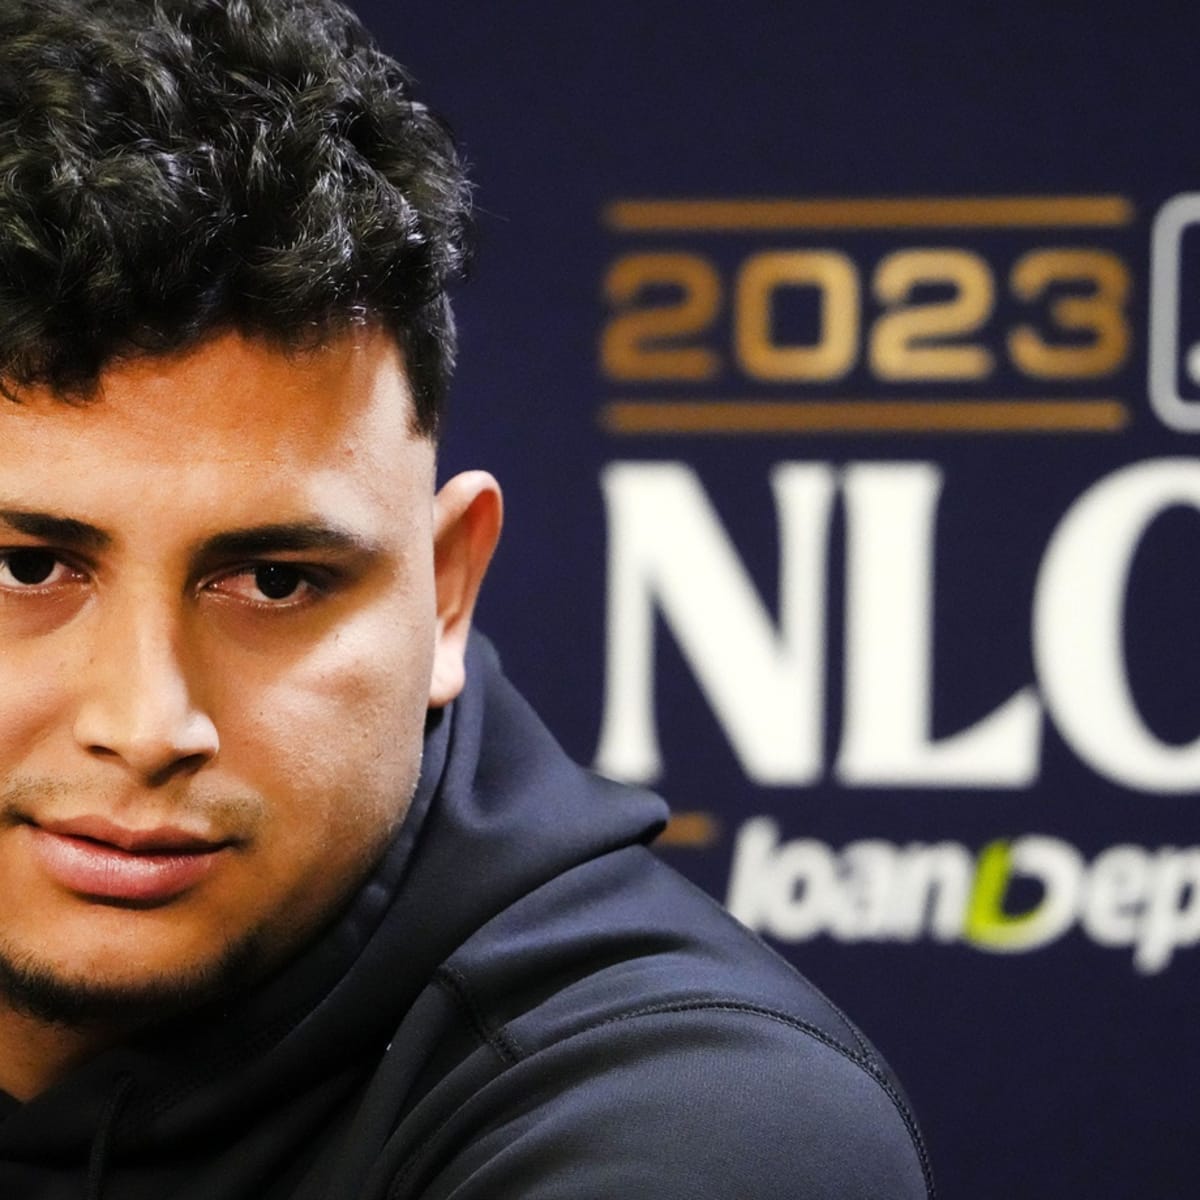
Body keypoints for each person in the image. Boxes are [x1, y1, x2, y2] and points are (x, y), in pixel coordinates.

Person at [0, 1, 934, 1196]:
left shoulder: (704, 1126)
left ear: (447, 593)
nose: (145, 723)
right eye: (29, 567)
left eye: (275, 581)